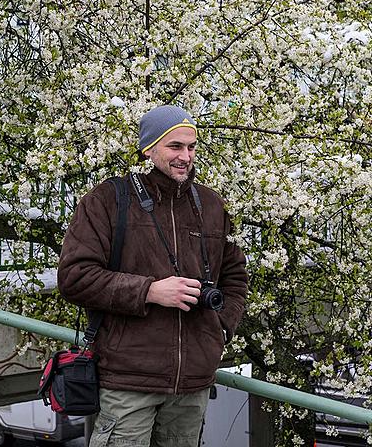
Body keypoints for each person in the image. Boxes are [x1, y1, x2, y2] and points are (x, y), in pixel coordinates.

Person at [57, 105, 248, 447]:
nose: (185, 156)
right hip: (129, 379)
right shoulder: (108, 201)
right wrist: (149, 291)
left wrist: (221, 327)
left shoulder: (212, 205)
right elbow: (75, 276)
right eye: (175, 146)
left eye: (191, 147)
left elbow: (235, 276)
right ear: (149, 149)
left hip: (191, 383)